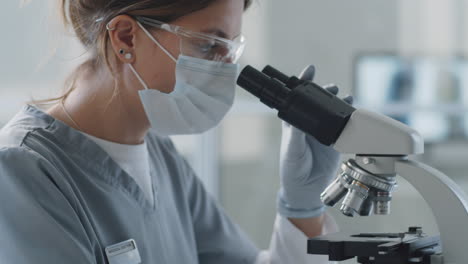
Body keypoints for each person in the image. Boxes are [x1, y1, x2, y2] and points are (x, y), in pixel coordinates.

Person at [0, 0, 351, 263]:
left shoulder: (162, 159)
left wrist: (300, 208)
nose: (224, 70)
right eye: (208, 45)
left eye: (230, 49)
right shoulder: (22, 172)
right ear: (126, 38)